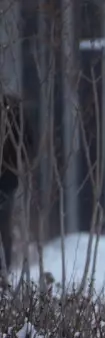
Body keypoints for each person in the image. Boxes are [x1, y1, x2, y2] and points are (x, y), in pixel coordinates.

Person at [0, 95, 30, 278]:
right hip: (9, 179)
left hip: (6, 181)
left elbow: (27, 142)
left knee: (4, 229)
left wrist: (14, 165)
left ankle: (4, 274)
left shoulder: (14, 108)